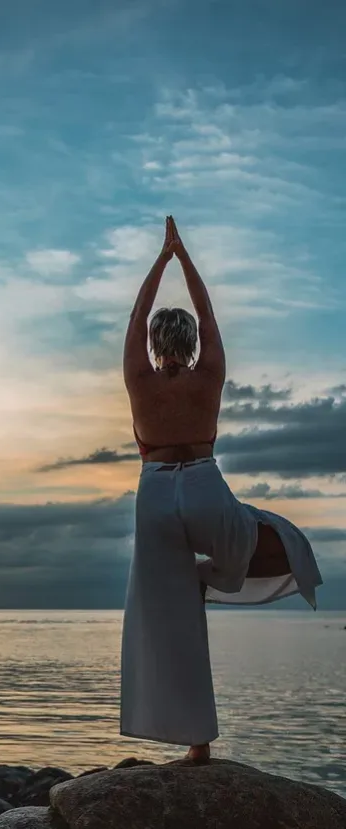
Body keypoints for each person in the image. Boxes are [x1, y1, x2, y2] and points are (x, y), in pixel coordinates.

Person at [120, 216, 323, 762]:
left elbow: (138, 315)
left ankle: (194, 739)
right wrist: (183, 256)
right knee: (261, 537)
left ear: (156, 343)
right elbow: (207, 313)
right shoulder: (207, 374)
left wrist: (159, 259)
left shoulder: (139, 380)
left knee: (167, 614)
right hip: (206, 485)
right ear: (189, 342)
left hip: (157, 492)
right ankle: (218, 578)